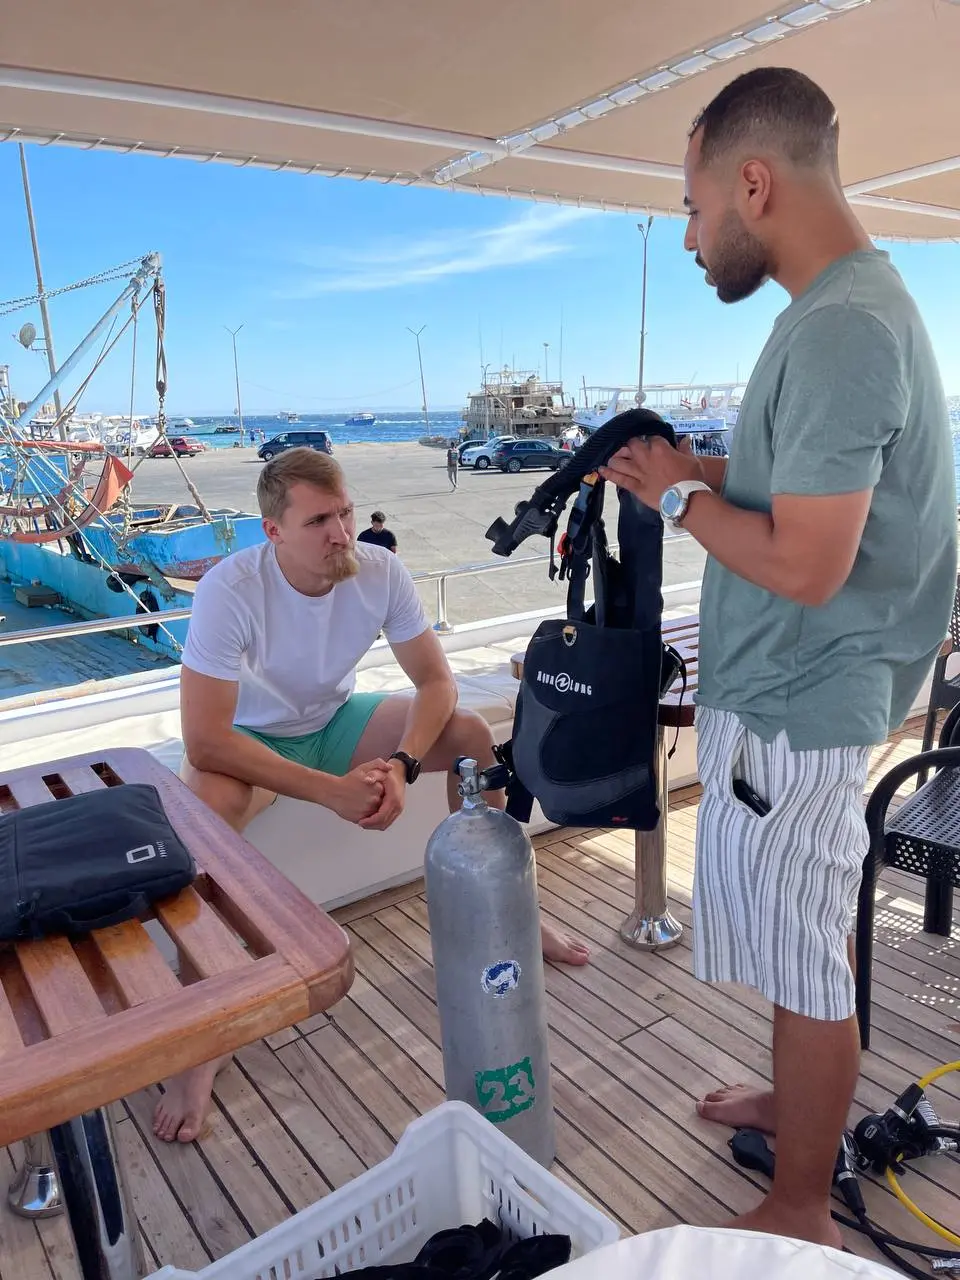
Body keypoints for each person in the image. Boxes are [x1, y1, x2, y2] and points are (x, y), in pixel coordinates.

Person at [601, 66, 956, 1248]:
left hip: (809, 697)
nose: (692, 236)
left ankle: (802, 1197)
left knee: (810, 961)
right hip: (808, 689)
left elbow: (807, 562)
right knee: (800, 934)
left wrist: (668, 499)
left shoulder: (846, 328)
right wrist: (698, 473)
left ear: (754, 183)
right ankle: (794, 1106)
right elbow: (802, 499)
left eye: (696, 208)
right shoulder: (843, 309)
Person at [154, 447, 589, 1144]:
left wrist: (404, 763)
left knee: (474, 736)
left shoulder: (378, 570)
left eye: (346, 512)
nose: (340, 533)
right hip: (250, 742)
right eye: (320, 520)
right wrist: (329, 792)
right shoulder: (230, 590)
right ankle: (203, 1043)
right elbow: (204, 741)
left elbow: (437, 686)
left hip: (337, 722)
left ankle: (513, 916)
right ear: (274, 532)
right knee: (201, 823)